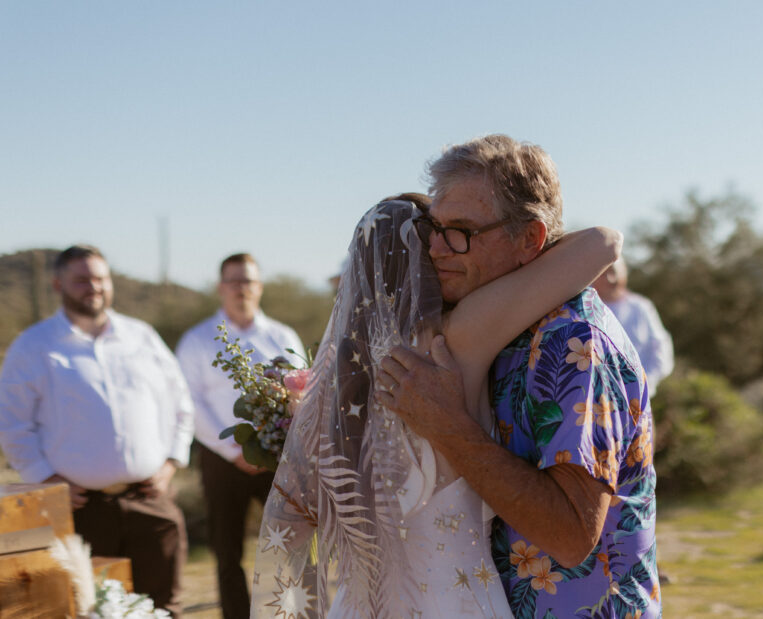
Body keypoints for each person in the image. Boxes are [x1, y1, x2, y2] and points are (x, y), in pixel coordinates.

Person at [250, 192, 620, 618]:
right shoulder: (455, 339)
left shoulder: (336, 383)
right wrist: (517, 237)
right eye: (444, 237)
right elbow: (604, 243)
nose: (451, 248)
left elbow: (292, 520)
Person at [378, 135, 660, 617]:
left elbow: (571, 537)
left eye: (461, 231)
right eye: (434, 228)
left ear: (530, 239)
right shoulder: (500, 329)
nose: (437, 249)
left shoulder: (574, 343)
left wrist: (446, 425)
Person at [0, 245, 193, 617]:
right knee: (87, 610)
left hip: (150, 501)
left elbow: (181, 403)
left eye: (101, 278)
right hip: (79, 510)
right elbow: (12, 422)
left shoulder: (142, 337)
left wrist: (171, 463)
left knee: (165, 608)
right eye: (82, 279)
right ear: (58, 284)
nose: (94, 287)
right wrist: (46, 479)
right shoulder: (34, 345)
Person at [175, 253, 303, 619]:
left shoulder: (282, 336)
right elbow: (187, 400)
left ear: (259, 287)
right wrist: (231, 449)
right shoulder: (197, 340)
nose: (241, 289)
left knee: (293, 544)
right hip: (221, 459)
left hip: (278, 458)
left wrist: (277, 445)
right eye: (233, 281)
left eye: (247, 281)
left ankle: (297, 612)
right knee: (227, 552)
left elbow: (301, 392)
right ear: (221, 288)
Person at [593, 257, 675, 393]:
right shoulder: (585, 309)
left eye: (614, 272)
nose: (610, 279)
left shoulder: (641, 307)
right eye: (603, 273)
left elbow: (660, 347)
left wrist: (645, 382)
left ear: (624, 273)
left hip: (638, 394)